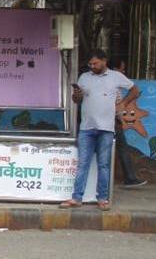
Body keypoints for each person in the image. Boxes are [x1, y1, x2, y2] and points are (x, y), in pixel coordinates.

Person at [61, 50, 139, 211]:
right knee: (83, 164)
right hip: (87, 128)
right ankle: (77, 197)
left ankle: (102, 198)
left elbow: (135, 90)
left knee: (104, 164)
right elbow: (77, 101)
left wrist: (122, 103)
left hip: (106, 128)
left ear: (104, 61)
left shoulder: (115, 77)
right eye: (90, 64)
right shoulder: (84, 77)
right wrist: (77, 94)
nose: (92, 66)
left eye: (95, 63)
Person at [110, 57, 147, 188]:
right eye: (122, 69)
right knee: (122, 148)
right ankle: (129, 177)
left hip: (114, 120)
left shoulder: (113, 83)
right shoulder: (113, 80)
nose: (123, 72)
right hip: (111, 121)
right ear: (115, 70)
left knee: (120, 148)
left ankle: (129, 177)